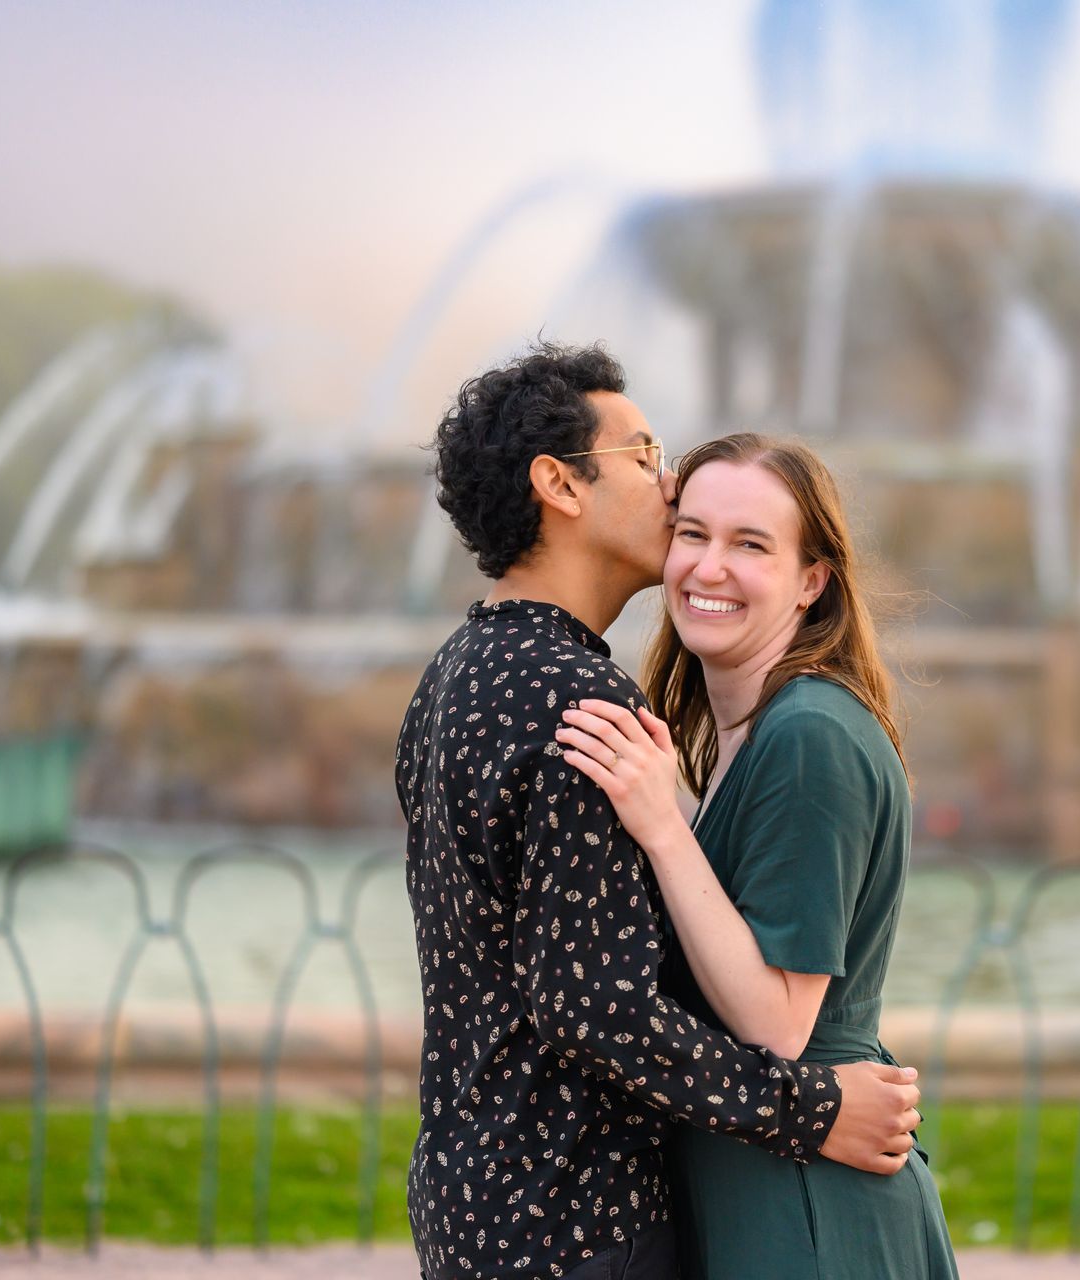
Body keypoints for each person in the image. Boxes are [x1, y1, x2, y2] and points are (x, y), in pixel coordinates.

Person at [394, 344, 922, 1280]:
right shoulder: (579, 702)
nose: (668, 484)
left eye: (750, 541)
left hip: (475, 1200)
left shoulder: (457, 675)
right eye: (643, 456)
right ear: (558, 484)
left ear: (814, 580)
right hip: (578, 1219)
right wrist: (814, 1110)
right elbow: (593, 1002)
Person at [555, 433, 959, 1279]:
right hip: (770, 1183)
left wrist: (660, 826)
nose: (707, 568)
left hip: (808, 1207)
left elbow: (779, 1024)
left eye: (750, 544)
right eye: (692, 533)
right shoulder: (760, 730)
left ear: (813, 580)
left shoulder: (809, 735)